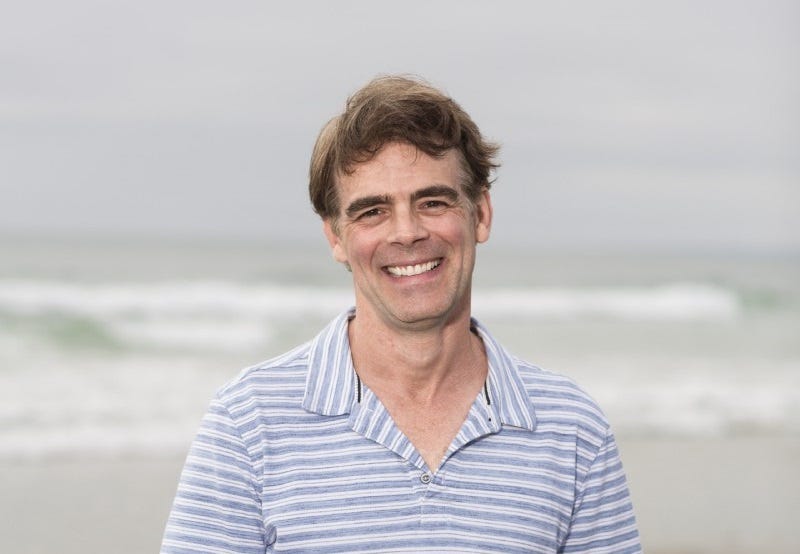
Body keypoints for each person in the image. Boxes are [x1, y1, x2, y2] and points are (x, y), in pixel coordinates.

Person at [161, 75, 641, 553]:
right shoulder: (248, 423)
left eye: (432, 202)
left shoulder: (572, 429)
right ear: (335, 237)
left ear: (480, 214)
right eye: (372, 211)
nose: (407, 232)